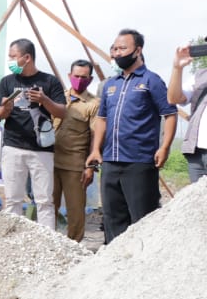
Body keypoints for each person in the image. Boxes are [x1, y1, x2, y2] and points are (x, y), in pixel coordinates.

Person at [87, 29, 177, 243]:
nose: (117, 53)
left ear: (138, 50)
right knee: (112, 217)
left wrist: (164, 147)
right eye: (114, 49)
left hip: (139, 161)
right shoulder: (110, 85)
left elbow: (170, 114)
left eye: (122, 48)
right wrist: (96, 150)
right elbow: (102, 119)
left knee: (143, 218)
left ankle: (144, 263)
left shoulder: (152, 81)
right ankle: (115, 265)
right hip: (110, 161)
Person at [0, 38, 66, 230]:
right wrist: (5, 108)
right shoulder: (7, 82)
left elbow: (62, 112)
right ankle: (13, 242)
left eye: (13, 57)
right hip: (12, 146)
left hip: (41, 148)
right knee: (13, 200)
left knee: (44, 201)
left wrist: (44, 100)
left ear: (26, 58)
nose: (10, 61)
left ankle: (47, 243)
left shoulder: (49, 81)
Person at [52, 60, 100, 241]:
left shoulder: (94, 104)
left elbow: (96, 136)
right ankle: (48, 244)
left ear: (90, 79)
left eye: (83, 77)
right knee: (49, 207)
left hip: (75, 164)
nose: (79, 80)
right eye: (76, 76)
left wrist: (90, 167)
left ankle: (74, 246)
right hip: (51, 161)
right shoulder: (57, 97)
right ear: (69, 76)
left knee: (75, 210)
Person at [166, 42, 207, 183]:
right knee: (197, 203)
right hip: (197, 154)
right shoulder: (201, 75)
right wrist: (177, 68)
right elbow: (173, 98)